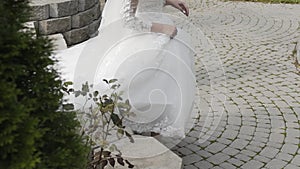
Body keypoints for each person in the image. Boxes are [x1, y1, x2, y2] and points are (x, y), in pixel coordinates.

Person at [58, 0, 196, 138]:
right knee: (132, 77)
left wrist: (169, 1)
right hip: (144, 31)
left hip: (158, 23)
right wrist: (163, 29)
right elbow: (127, 20)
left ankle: (159, 120)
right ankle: (148, 120)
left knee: (172, 63)